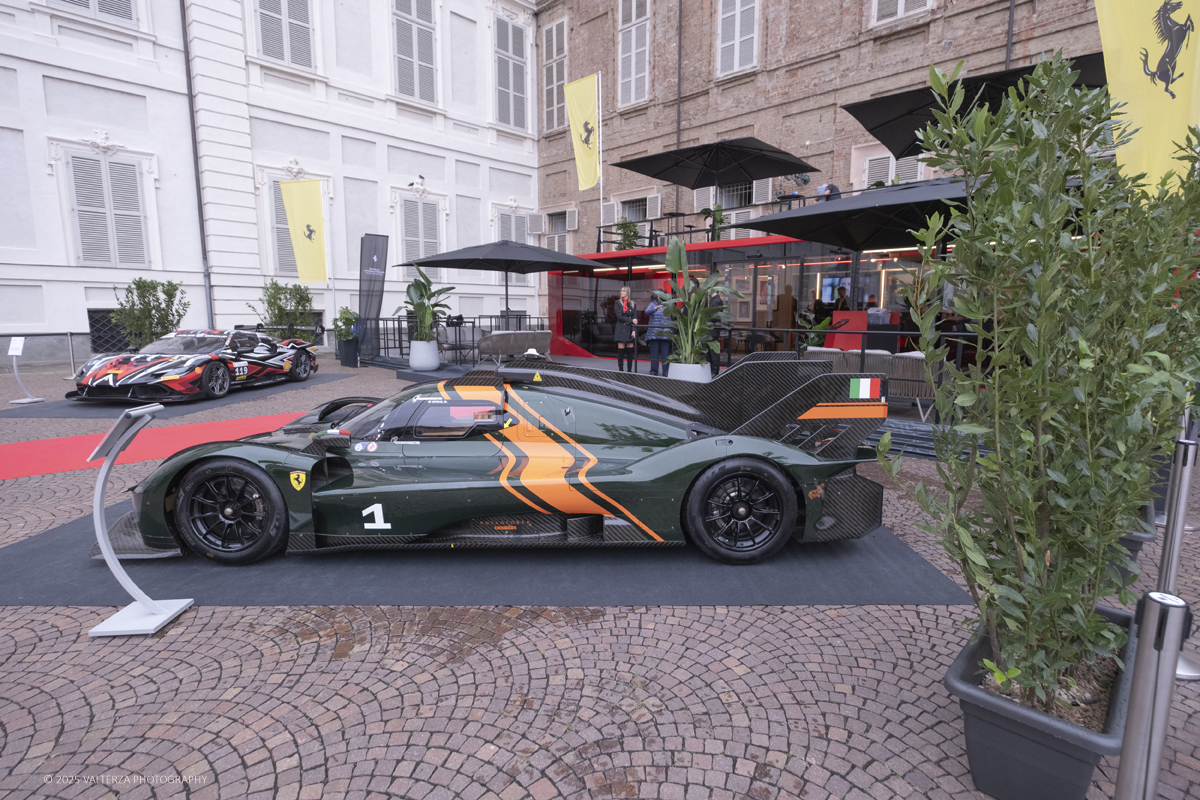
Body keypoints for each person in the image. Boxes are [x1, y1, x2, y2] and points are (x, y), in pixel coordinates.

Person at [645, 284, 672, 377]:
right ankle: (653, 371)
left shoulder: (668, 304)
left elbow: (672, 318)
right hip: (654, 333)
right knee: (654, 354)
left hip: (665, 333)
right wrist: (655, 309)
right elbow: (647, 312)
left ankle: (666, 372)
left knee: (665, 354)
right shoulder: (652, 304)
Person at [613, 285, 638, 371]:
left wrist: (634, 330)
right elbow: (619, 316)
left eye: (623, 291)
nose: (621, 292)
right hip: (621, 329)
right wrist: (631, 321)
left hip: (630, 329)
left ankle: (629, 371)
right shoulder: (618, 303)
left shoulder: (633, 304)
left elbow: (635, 318)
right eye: (621, 291)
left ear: (628, 292)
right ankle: (621, 370)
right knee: (621, 352)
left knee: (630, 352)